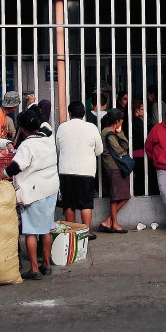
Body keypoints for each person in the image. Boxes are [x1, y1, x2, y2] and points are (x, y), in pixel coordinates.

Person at [5, 108, 59, 280]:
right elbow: (42, 116)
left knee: (30, 231)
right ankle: (47, 265)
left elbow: (15, 168)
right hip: (50, 188)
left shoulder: (27, 145)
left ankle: (34, 269)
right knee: (45, 229)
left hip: (34, 192)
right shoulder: (48, 133)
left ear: (23, 128)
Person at [57, 101, 104, 235]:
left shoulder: (62, 127)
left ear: (70, 113)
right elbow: (99, 150)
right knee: (86, 203)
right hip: (86, 171)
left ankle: (71, 231)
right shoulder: (91, 127)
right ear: (83, 114)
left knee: (68, 203)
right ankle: (86, 232)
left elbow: (59, 148)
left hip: (65, 170)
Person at [99, 109, 134, 234]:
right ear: (117, 121)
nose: (122, 122)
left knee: (122, 196)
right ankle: (114, 223)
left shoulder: (108, 132)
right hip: (113, 167)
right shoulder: (108, 133)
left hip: (113, 167)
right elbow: (121, 150)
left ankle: (108, 221)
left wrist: (118, 132)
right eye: (121, 120)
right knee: (117, 197)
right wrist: (120, 133)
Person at [130, 101, 147, 196]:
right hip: (139, 154)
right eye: (142, 109)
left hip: (132, 153)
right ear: (137, 110)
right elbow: (142, 137)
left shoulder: (129, 120)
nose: (144, 111)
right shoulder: (138, 122)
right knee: (140, 178)